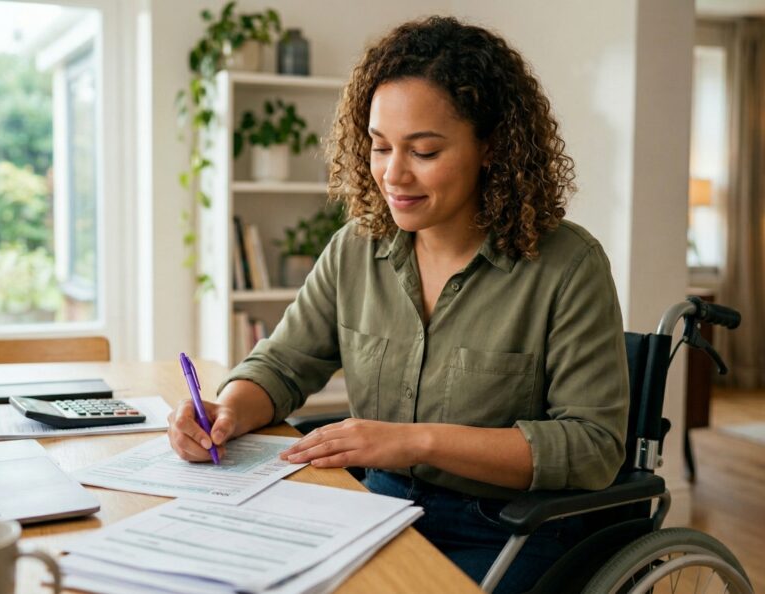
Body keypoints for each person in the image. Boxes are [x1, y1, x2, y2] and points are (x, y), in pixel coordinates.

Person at [168, 15, 628, 594]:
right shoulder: (356, 250)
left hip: (511, 530)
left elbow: (592, 447)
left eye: (425, 151)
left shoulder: (567, 266)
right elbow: (282, 366)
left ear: (492, 148)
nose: (393, 173)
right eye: (380, 146)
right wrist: (228, 410)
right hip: (378, 509)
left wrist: (414, 439)